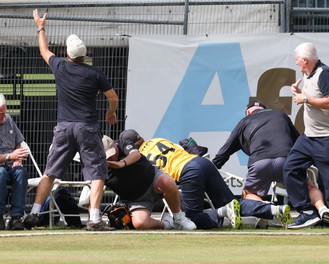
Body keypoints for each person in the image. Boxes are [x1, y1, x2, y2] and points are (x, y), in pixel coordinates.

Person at [24, 9, 119, 231]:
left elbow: (44, 50)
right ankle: (94, 220)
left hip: (64, 127)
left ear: (67, 54)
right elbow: (113, 97)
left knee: (50, 172)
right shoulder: (95, 73)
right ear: (85, 56)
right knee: (97, 172)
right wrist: (111, 112)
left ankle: (34, 214)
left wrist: (40, 27)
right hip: (87, 127)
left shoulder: (60, 67)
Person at [125, 129, 292, 229]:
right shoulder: (157, 140)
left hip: (187, 172)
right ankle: (274, 210)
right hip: (202, 162)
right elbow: (184, 149)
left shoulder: (139, 157)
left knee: (192, 218)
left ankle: (223, 213)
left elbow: (155, 177)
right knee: (233, 202)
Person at [212, 100, 329, 226]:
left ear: (248, 112)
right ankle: (321, 209)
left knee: (249, 194)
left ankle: (272, 209)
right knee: (310, 187)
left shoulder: (244, 122)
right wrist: (309, 163)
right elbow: (299, 141)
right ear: (265, 109)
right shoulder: (280, 114)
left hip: (260, 163)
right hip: (286, 161)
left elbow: (224, 152)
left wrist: (212, 168)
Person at [283, 42, 329, 236]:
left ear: (305, 60)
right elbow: (313, 98)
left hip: (328, 138)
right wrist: (300, 94)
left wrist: (304, 99)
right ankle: (306, 211)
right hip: (308, 137)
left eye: (297, 61)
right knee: (290, 168)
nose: (297, 64)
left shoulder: (324, 73)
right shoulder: (307, 74)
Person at [102, 135, 196, 230]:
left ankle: (179, 218)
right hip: (136, 199)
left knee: (166, 181)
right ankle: (169, 224)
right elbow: (95, 188)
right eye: (107, 157)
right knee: (140, 223)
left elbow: (136, 155)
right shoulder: (98, 167)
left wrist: (121, 163)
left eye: (111, 154)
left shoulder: (123, 141)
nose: (110, 158)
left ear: (114, 145)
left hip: (153, 179)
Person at [0, 94, 30, 230]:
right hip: (2, 163)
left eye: (4, 112)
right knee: (0, 174)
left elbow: (19, 143)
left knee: (21, 172)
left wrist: (18, 158)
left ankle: (16, 217)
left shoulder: (8, 120)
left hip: (11, 163)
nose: (3, 116)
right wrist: (10, 156)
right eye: (0, 113)